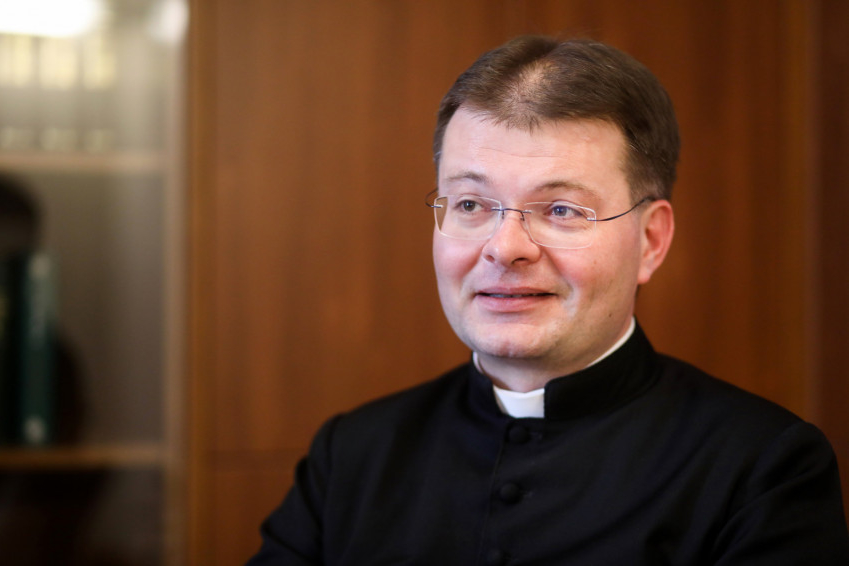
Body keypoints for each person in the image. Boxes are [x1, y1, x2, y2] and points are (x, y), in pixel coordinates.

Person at [246, 35, 849, 565]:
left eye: (561, 210)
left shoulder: (761, 470)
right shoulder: (352, 456)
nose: (505, 248)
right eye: (470, 204)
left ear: (651, 241)